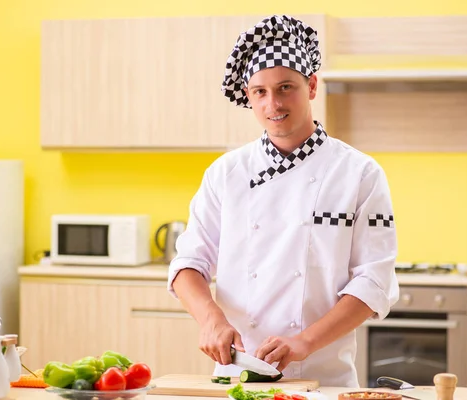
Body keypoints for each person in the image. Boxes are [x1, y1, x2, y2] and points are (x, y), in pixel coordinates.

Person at [166, 14, 399, 388]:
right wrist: (210, 318)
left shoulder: (360, 173)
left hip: (325, 379)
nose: (272, 103)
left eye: (285, 87)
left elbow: (373, 282)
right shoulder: (226, 173)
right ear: (248, 96)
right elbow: (188, 264)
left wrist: (304, 342)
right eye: (259, 91)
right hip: (237, 377)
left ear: (311, 86)